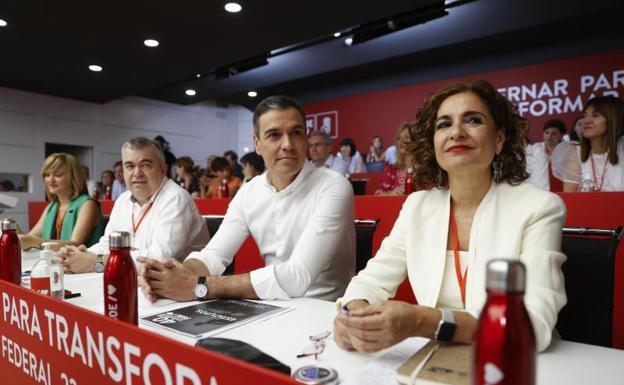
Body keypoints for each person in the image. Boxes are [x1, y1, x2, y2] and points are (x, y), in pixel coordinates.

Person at [333, 80, 566, 354]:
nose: (456, 132)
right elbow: (370, 282)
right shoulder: (417, 206)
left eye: (473, 120)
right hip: (435, 358)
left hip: (515, 362)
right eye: (444, 124)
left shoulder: (539, 207)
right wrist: (352, 315)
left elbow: (531, 327)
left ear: (499, 139)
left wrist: (422, 321)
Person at [138, 95, 355, 303]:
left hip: (324, 313)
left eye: (296, 132)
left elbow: (297, 276)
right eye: (274, 135)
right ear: (257, 143)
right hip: (271, 305)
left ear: (306, 139)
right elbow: (214, 255)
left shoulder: (333, 185)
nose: (288, 144)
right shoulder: (249, 192)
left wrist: (198, 286)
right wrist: (170, 276)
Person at [58, 137, 209, 273]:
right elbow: (107, 244)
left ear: (163, 169)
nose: (137, 173)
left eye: (145, 165)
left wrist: (94, 262)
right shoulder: (123, 200)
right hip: (138, 280)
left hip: (184, 291)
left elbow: (159, 259)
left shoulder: (176, 198)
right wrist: (80, 256)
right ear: (123, 171)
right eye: (130, 166)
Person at [19, 153, 105, 250]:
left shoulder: (88, 205)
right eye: (47, 175)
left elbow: (75, 245)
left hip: (83, 264)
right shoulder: (52, 207)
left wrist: (34, 242)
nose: (50, 180)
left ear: (73, 177)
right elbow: (30, 238)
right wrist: (13, 230)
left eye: (57, 175)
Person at [553, 95, 624, 192]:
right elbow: (570, 198)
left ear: (613, 119)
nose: (586, 121)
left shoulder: (622, 148)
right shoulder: (575, 152)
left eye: (595, 115)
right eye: (584, 116)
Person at [375, 123, 419, 195]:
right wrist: (390, 194)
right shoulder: (391, 169)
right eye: (399, 138)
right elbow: (378, 195)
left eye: (406, 138)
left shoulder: (424, 171)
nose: (400, 142)